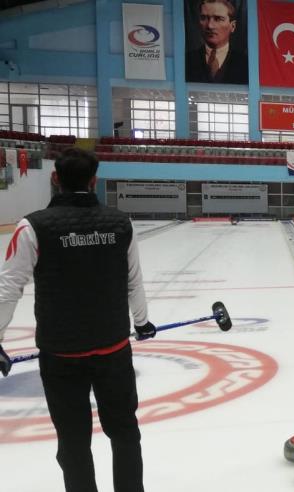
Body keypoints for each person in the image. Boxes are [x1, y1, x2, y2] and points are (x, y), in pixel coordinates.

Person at [0, 148, 155, 491]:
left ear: (55, 179)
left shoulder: (32, 226)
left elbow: (8, 287)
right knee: (125, 432)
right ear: (94, 180)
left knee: (72, 440)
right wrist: (142, 322)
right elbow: (134, 279)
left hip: (62, 355)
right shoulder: (120, 222)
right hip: (113, 349)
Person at [186, 0, 248, 84]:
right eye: (204, 18)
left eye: (218, 19)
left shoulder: (245, 64)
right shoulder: (187, 61)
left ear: (233, 26)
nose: (210, 26)